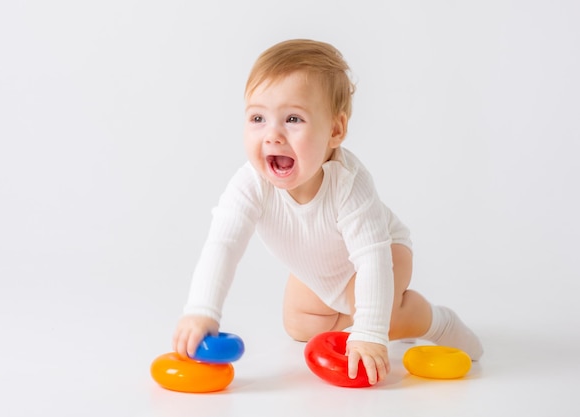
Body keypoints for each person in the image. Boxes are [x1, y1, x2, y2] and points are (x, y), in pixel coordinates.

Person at [172, 39, 483, 385]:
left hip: (383, 252)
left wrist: (369, 331)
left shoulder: (348, 184)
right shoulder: (250, 183)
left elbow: (371, 259)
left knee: (379, 316)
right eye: (257, 117)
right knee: (300, 325)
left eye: (293, 119)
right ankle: (371, 317)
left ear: (335, 130)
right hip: (318, 268)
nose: (272, 135)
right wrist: (202, 311)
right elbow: (223, 245)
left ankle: (434, 321)